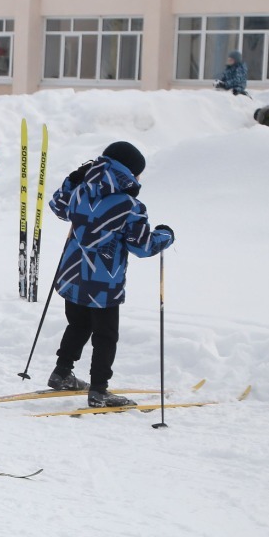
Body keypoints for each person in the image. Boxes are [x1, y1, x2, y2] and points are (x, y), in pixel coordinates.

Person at [46, 141, 174, 407]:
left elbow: (58, 206)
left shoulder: (81, 192)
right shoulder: (129, 206)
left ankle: (61, 372)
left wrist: (73, 179)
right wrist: (165, 235)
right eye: (138, 172)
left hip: (73, 276)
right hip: (104, 282)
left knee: (78, 324)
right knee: (105, 336)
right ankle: (99, 389)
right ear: (128, 172)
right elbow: (142, 246)